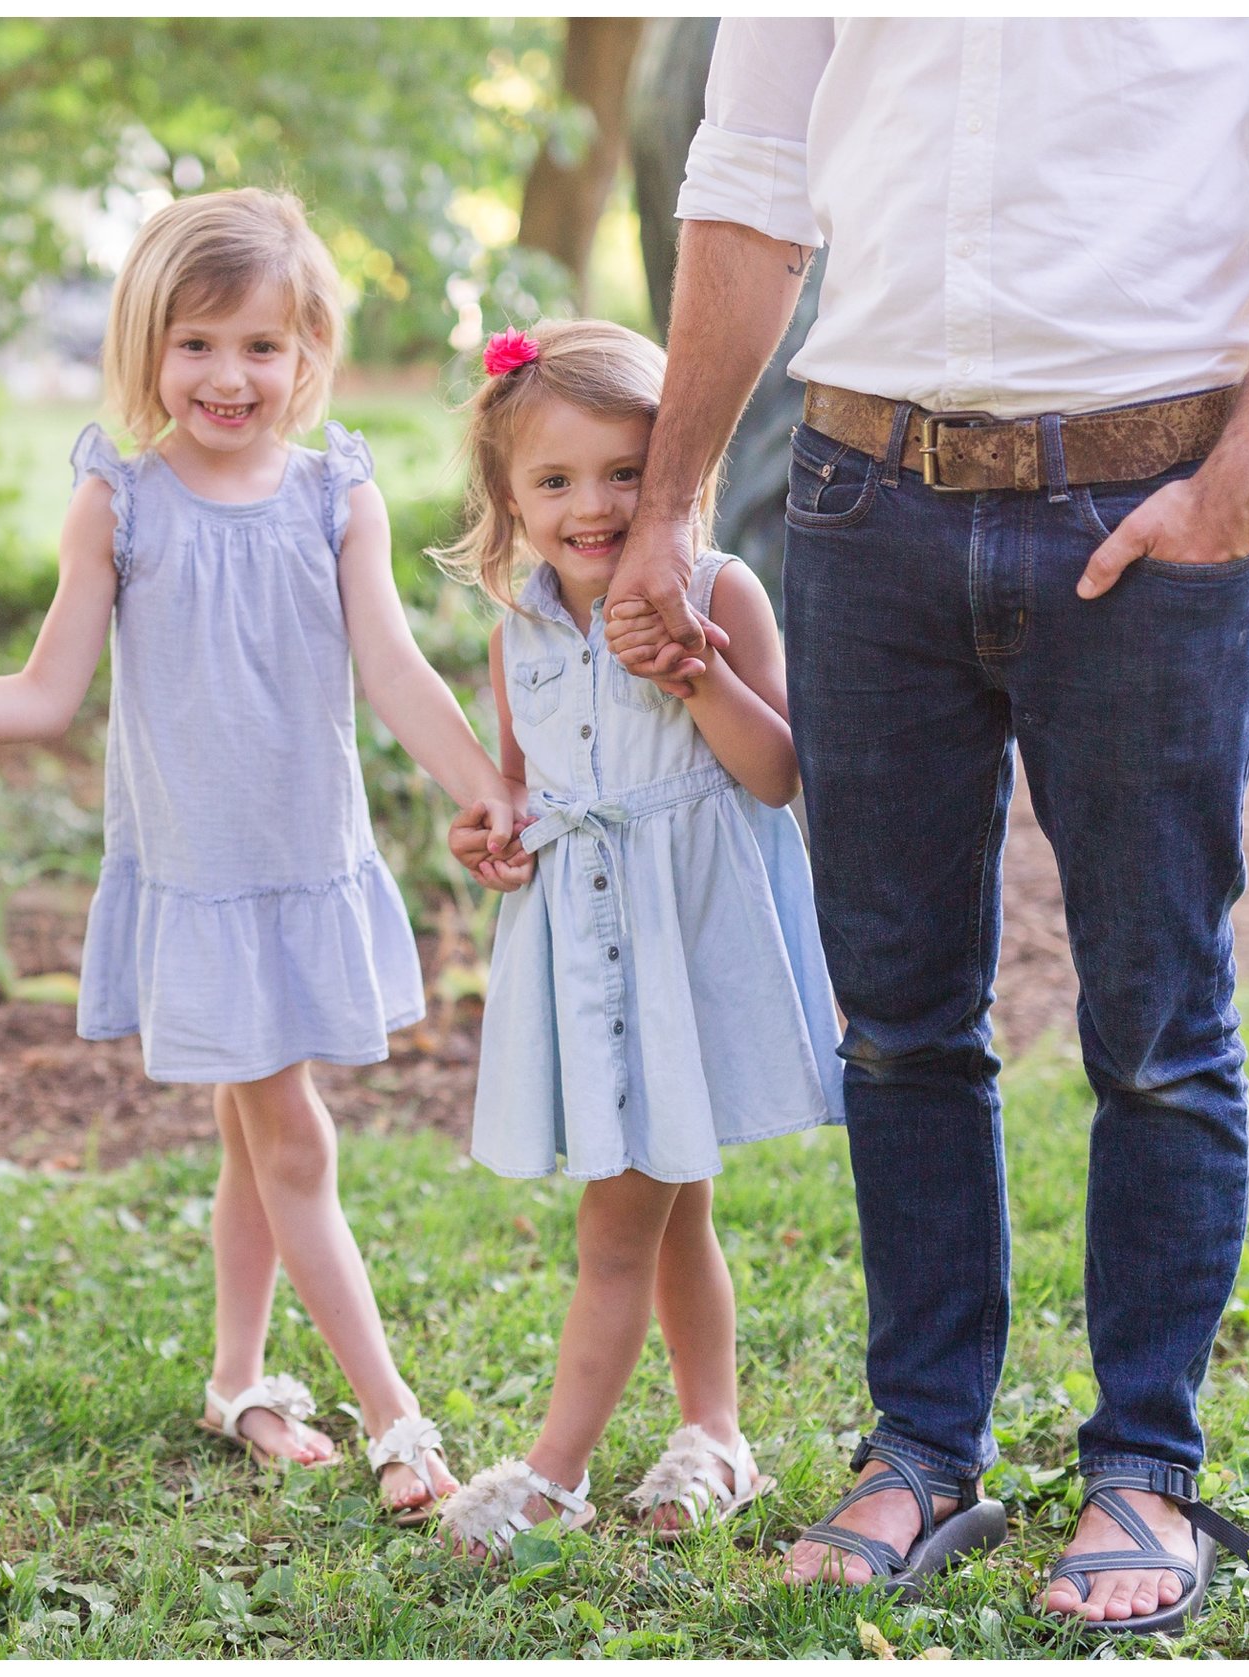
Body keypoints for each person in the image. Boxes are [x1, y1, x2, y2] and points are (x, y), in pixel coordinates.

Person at [604, 18, 1249, 1633]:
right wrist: (673, 502)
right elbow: (753, 173)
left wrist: (1240, 486)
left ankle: (1144, 1463)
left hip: (1150, 506)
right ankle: (923, 1447)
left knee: (1155, 1021)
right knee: (901, 1019)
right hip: (862, 501)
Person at [0, 187, 508, 1523]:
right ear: (150, 346)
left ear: (309, 348)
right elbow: (46, 689)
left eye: (262, 346)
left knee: (252, 1132)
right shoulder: (122, 501)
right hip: (201, 880)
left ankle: (239, 1380)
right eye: (197, 343)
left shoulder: (338, 494)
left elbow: (392, 666)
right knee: (291, 1136)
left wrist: (485, 786)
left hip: (300, 861)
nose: (229, 376)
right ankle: (394, 1413)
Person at [429, 321, 842, 1559]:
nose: (592, 506)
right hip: (594, 956)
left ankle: (552, 1476)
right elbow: (518, 791)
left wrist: (697, 679)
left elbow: (778, 777)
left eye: (624, 471)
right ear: (508, 497)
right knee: (675, 1214)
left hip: (692, 955)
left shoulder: (719, 592)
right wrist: (491, 836)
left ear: (677, 472)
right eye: (554, 481)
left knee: (617, 1226)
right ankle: (714, 1434)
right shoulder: (521, 635)